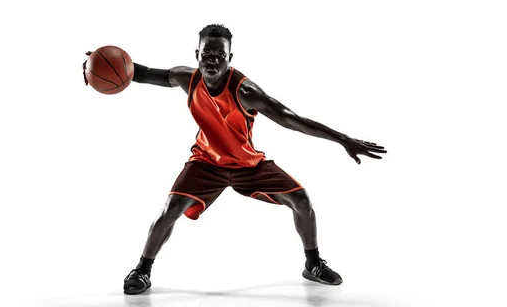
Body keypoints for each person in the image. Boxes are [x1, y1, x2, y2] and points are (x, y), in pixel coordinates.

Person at [120, 24, 386, 295]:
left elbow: (291, 119)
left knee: (302, 200)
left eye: (219, 56)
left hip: (248, 164)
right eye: (206, 54)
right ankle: (142, 270)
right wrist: (100, 59)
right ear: (196, 54)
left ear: (230, 59)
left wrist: (343, 139)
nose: (212, 61)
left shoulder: (245, 91)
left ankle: (313, 263)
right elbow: (139, 73)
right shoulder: (185, 78)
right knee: (172, 208)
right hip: (206, 162)